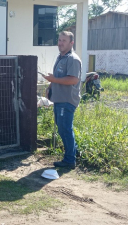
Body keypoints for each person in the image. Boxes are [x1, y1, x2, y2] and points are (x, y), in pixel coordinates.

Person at [43, 31, 81, 169]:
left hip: (67, 100)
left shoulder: (73, 59)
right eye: (59, 40)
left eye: (64, 40)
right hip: (59, 99)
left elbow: (73, 79)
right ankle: (70, 156)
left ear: (71, 43)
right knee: (62, 129)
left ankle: (70, 160)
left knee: (65, 129)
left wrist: (54, 80)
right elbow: (58, 76)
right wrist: (50, 86)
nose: (60, 43)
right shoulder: (60, 57)